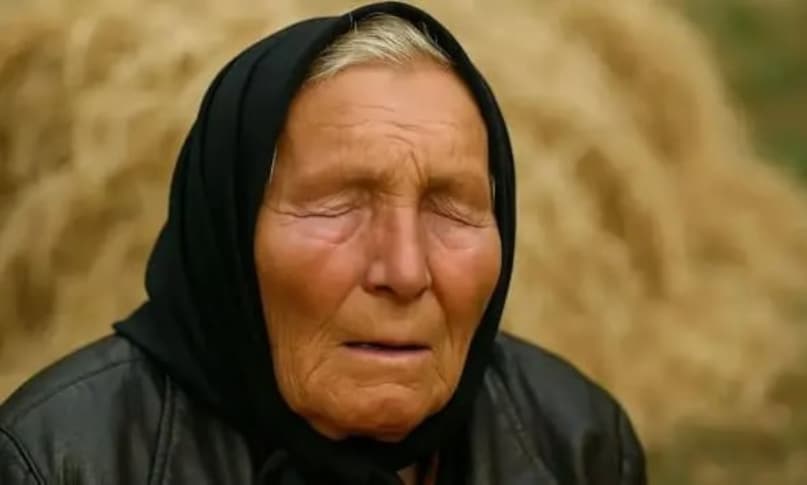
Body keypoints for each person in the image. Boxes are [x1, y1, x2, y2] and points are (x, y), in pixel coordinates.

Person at [0, 2, 646, 484]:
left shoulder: (577, 444)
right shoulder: (55, 461)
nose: (404, 270)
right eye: (339, 204)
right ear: (228, 238)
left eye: (449, 207)